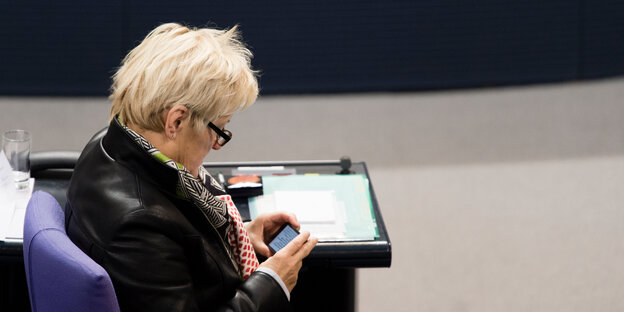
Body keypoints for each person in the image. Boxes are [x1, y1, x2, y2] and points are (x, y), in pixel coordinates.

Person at [64, 22, 318, 311]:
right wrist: (271, 283)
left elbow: (180, 246)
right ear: (176, 122)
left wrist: (239, 235)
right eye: (219, 130)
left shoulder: (108, 143)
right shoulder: (140, 227)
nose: (216, 145)